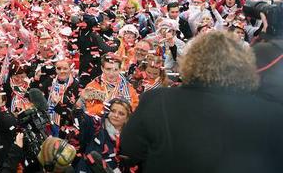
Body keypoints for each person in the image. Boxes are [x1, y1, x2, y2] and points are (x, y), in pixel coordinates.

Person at [120, 31, 283, 173]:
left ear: (191, 61)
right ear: (245, 65)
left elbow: (130, 151)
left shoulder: (157, 100)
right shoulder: (273, 113)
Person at [73, 98, 133, 173]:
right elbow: (80, 119)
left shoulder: (130, 138)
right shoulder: (96, 125)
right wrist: (80, 101)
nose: (116, 115)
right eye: (113, 111)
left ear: (127, 118)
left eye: (121, 113)